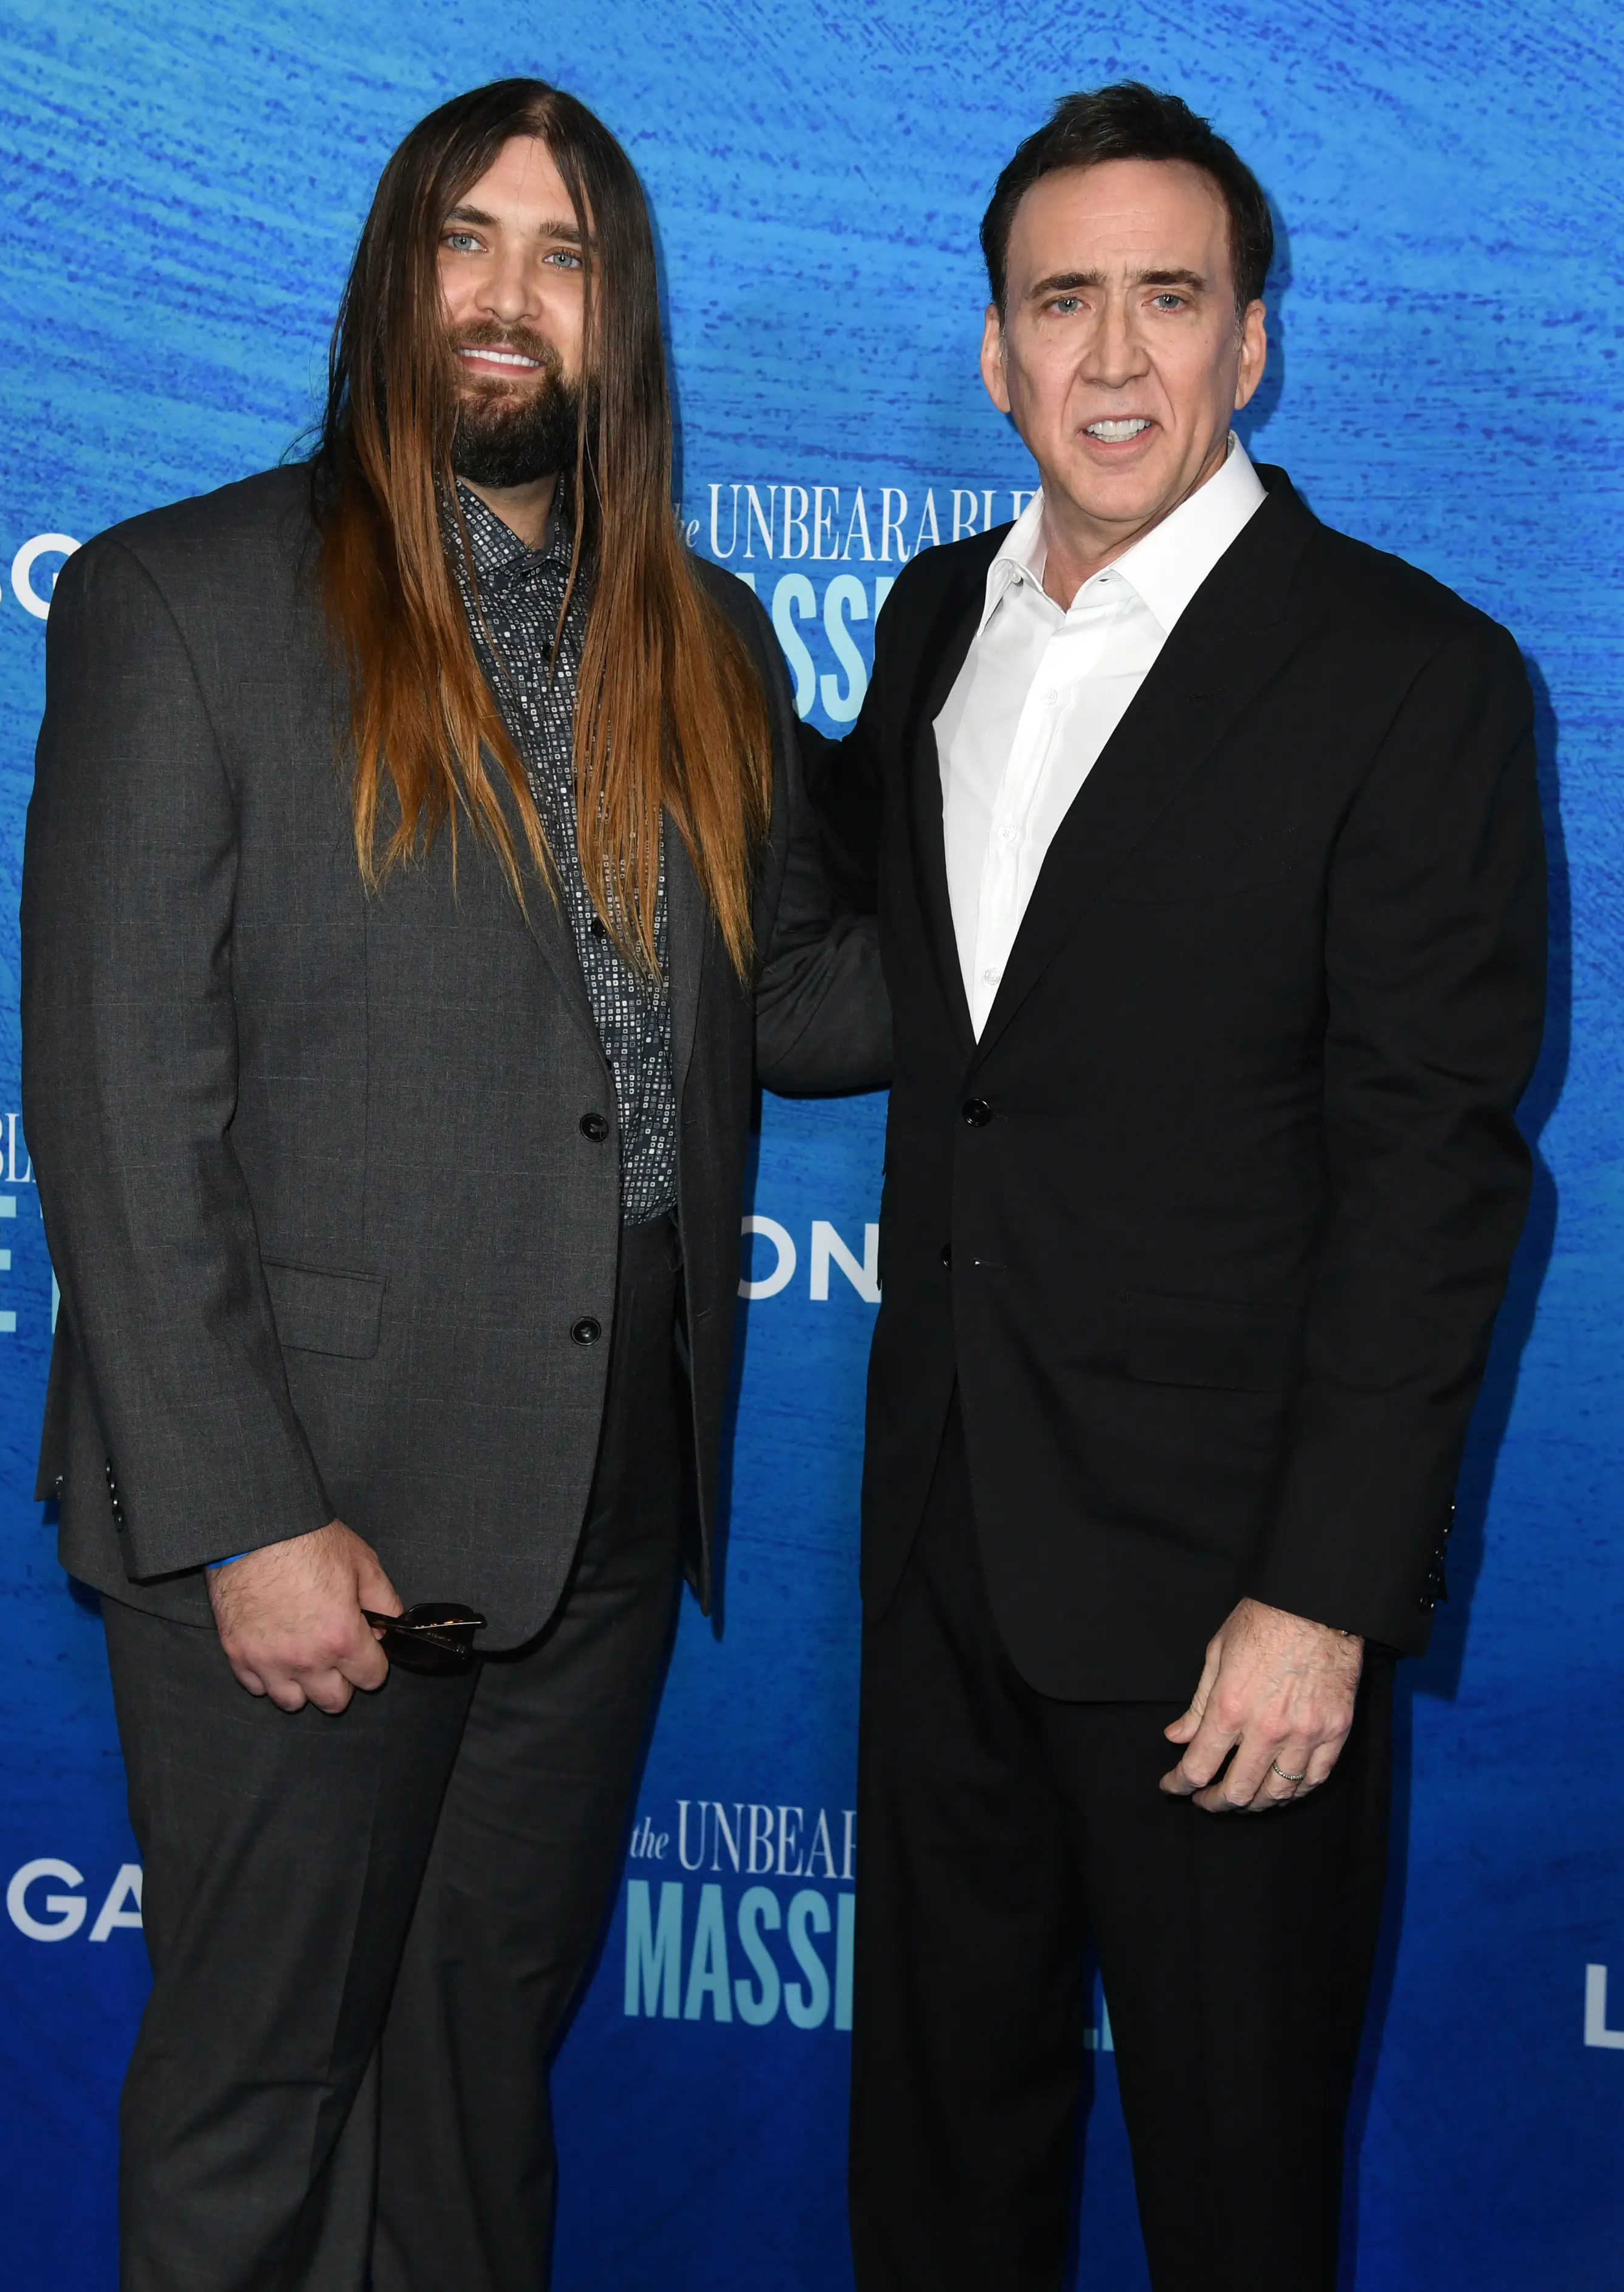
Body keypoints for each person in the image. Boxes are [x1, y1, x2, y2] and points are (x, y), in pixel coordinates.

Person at [21, 77, 888, 2292]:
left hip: (598, 1507)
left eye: (567, 255)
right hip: (311, 1507)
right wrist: (241, 1510)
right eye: (467, 241)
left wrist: (1098, 879)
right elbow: (121, 1097)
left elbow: (789, 1000)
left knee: (476, 2089)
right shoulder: (182, 596)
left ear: (623, 321)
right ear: (396, 276)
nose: (511, 299)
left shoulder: (702, 634)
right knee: (261, 2101)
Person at [801, 81, 1545, 2292]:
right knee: (936, 2185)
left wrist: (1321, 1594)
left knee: (1235, 2199)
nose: (1113, 358)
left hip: (1230, 1611)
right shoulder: (937, 619)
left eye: (1168, 300)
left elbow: (1434, 1174)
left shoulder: (1412, 676)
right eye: (1065, 304)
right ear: (997, 354)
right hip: (943, 1555)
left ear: (1252, 345)